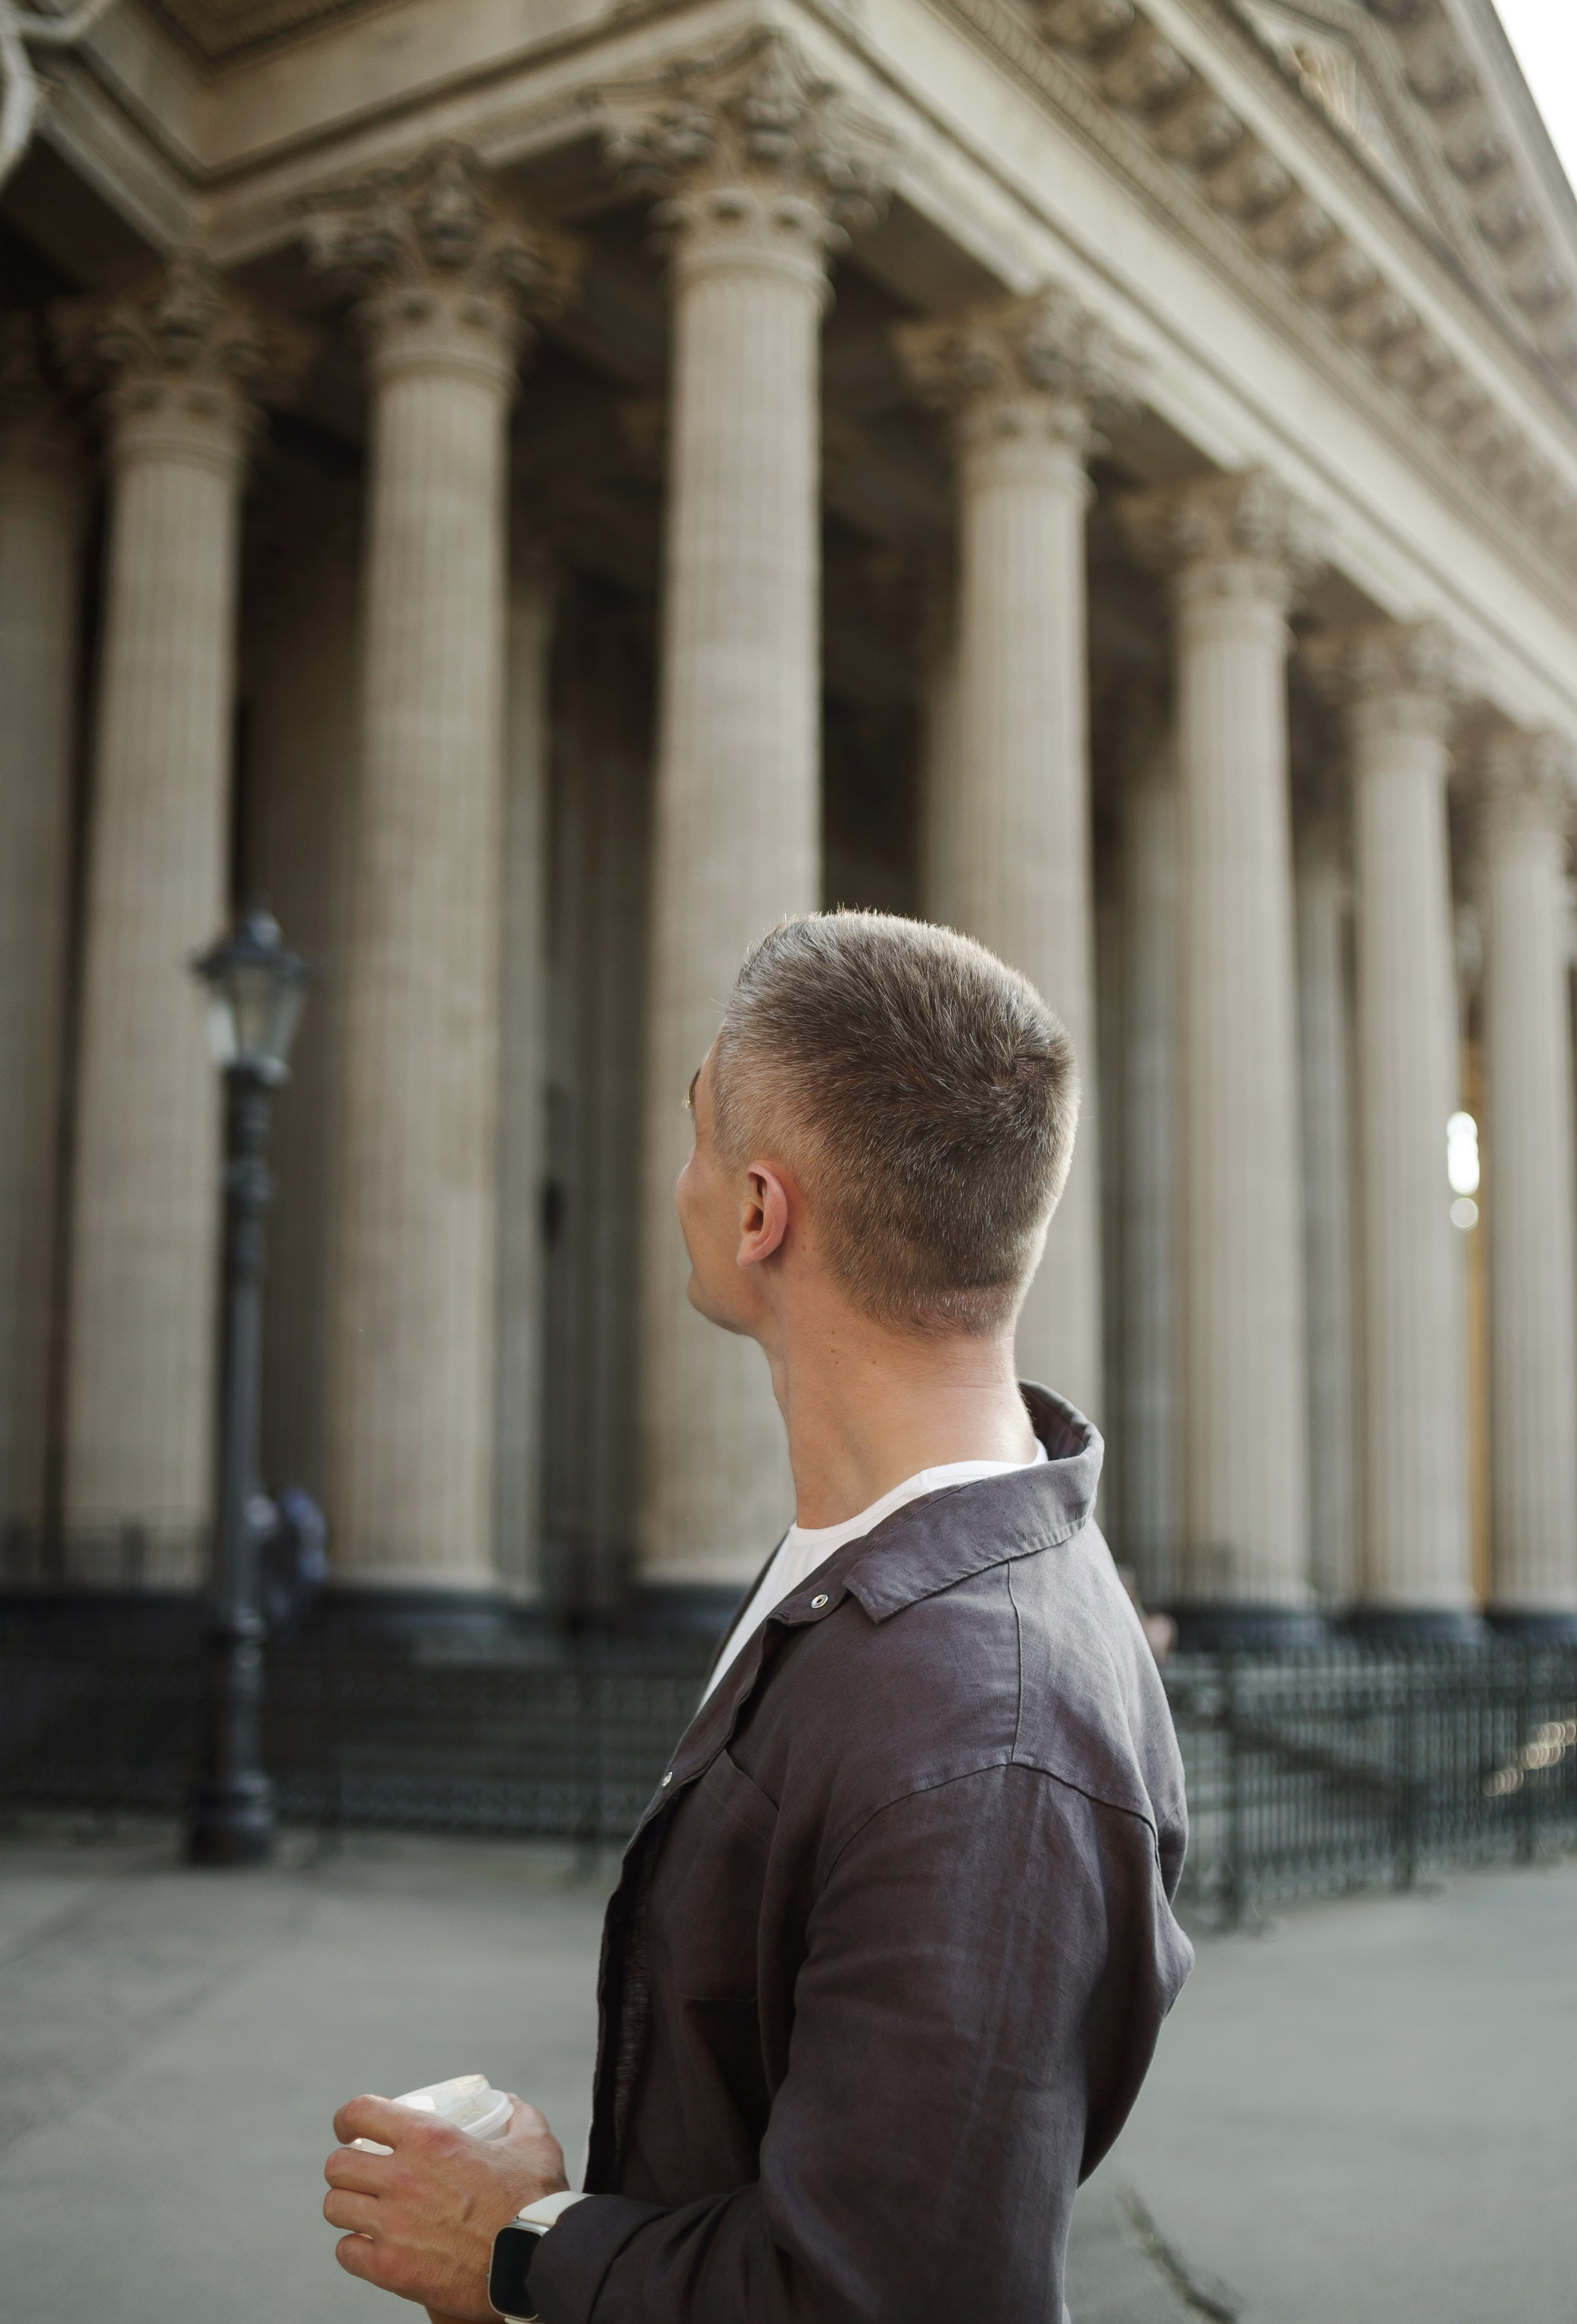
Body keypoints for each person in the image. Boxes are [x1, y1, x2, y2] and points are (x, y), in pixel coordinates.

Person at [322, 913, 1192, 2322]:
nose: (677, 1181)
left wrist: (517, 2247)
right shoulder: (893, 1565)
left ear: (756, 1213)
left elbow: (880, 2300)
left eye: (695, 1135)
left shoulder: (980, 1731)